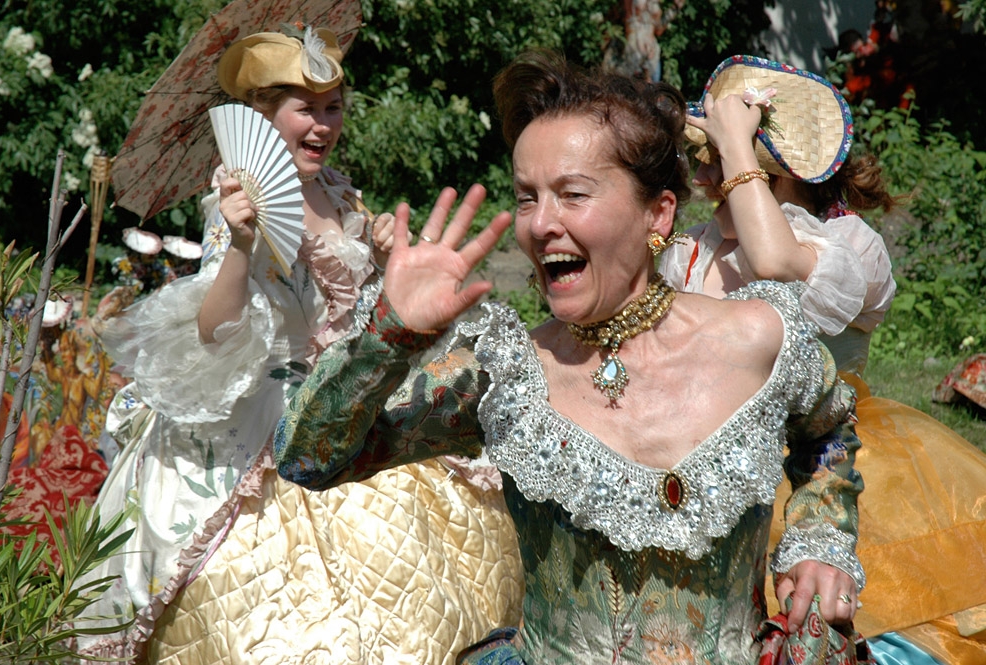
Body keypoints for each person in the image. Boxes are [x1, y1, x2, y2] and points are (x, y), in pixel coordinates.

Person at [273, 49, 870, 664]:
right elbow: (307, 459)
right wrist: (387, 338)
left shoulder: (759, 335)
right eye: (526, 198)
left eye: (572, 194)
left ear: (657, 213)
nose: (540, 225)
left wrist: (819, 539)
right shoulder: (504, 375)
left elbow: (827, 434)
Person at [78, 26, 521, 663]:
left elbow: (361, 304)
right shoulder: (238, 198)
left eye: (333, 107)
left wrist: (385, 255)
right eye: (305, 109)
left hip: (349, 396)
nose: (323, 125)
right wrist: (240, 246)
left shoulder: (338, 189)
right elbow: (215, 330)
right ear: (261, 116)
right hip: (270, 408)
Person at [663, 55, 986, 665]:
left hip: (833, 461)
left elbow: (776, 264)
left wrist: (737, 145)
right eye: (705, 158)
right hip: (715, 461)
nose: (702, 177)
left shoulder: (846, 246)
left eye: (717, 159)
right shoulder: (694, 250)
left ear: (773, 172)